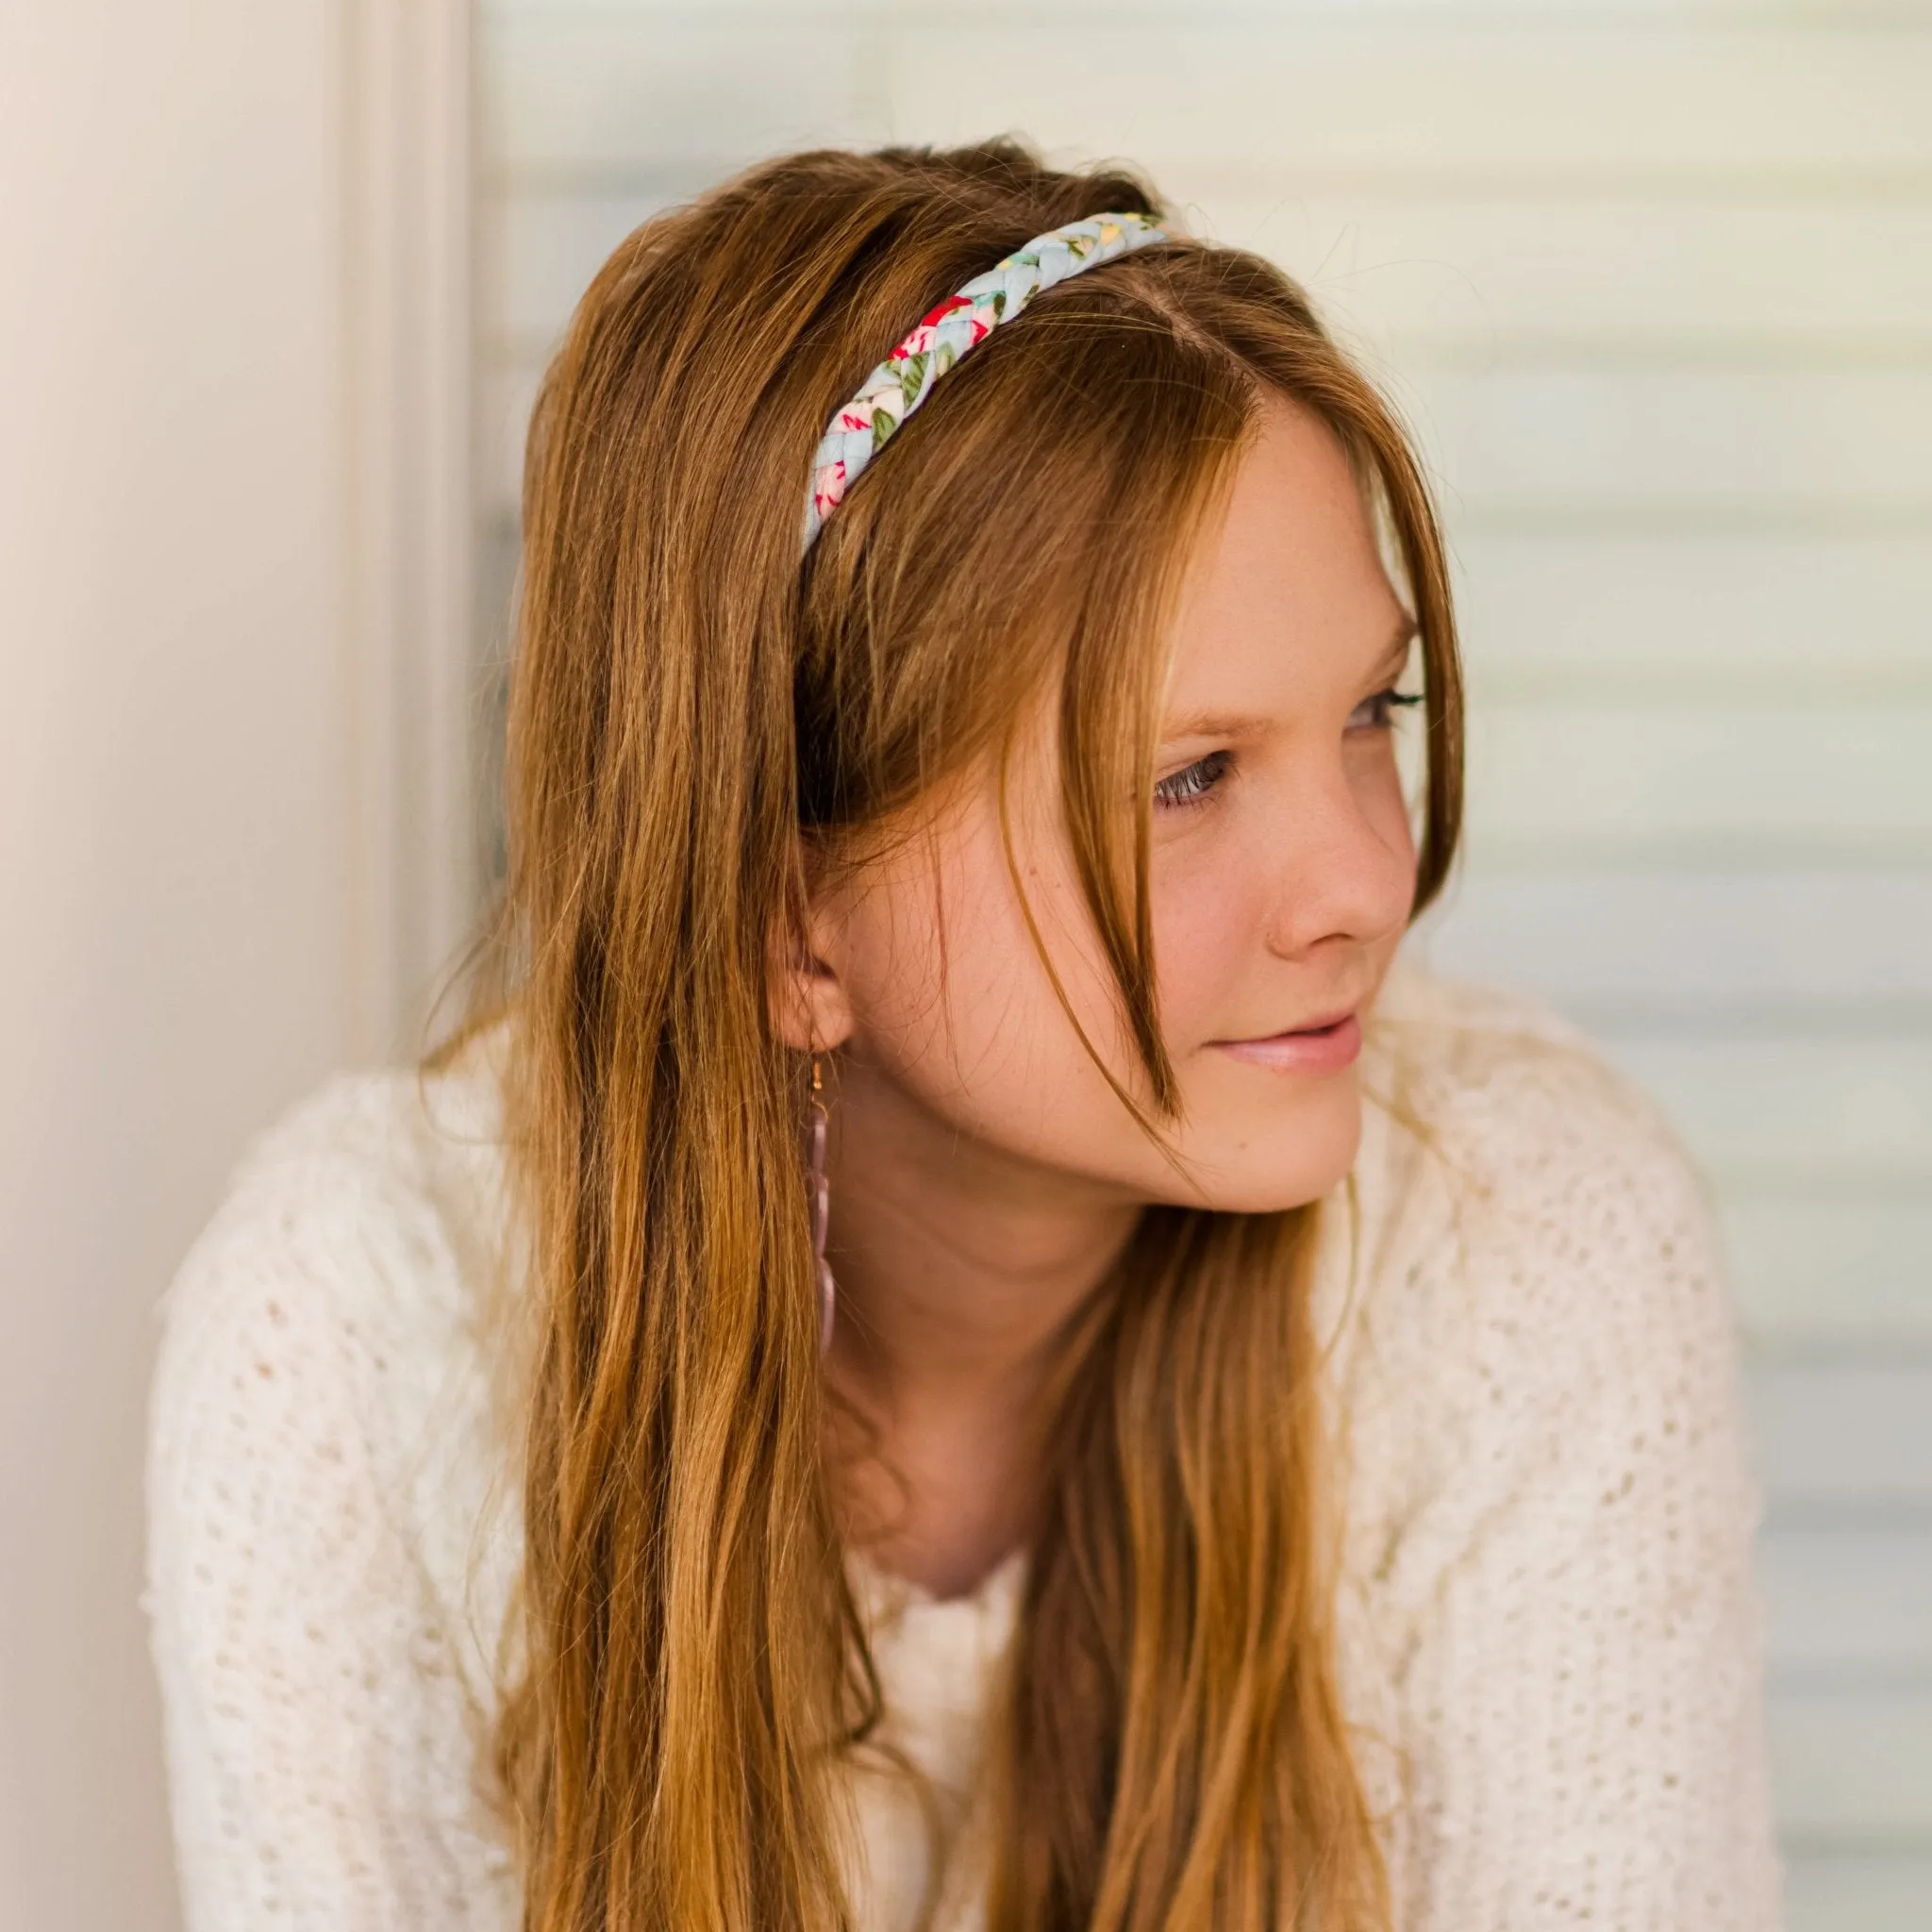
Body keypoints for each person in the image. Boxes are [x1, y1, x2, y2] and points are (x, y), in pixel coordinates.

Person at [143, 140, 1781, 1930]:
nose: (1362, 889)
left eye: (1369, 712)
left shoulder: (1522, 1235)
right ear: (786, 920)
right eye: (1188, 777)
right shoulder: (359, 1344)